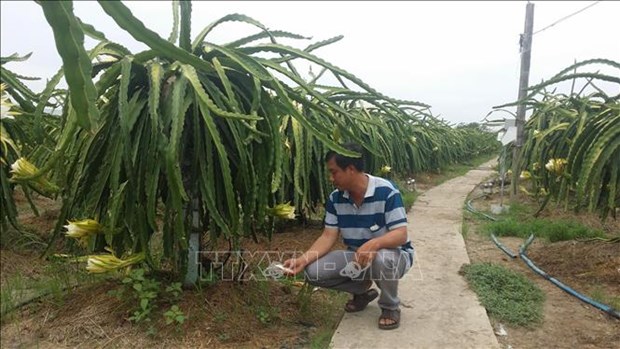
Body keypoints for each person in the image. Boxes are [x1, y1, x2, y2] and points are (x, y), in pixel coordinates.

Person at [283, 143, 414, 330]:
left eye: (334, 172)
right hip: (356, 256)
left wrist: (374, 244)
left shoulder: (387, 191)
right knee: (313, 272)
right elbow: (328, 236)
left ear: (351, 169)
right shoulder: (335, 198)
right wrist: (302, 260)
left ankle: (390, 307)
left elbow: (401, 235)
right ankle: (361, 291)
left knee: (381, 259)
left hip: (393, 256)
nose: (331, 178)